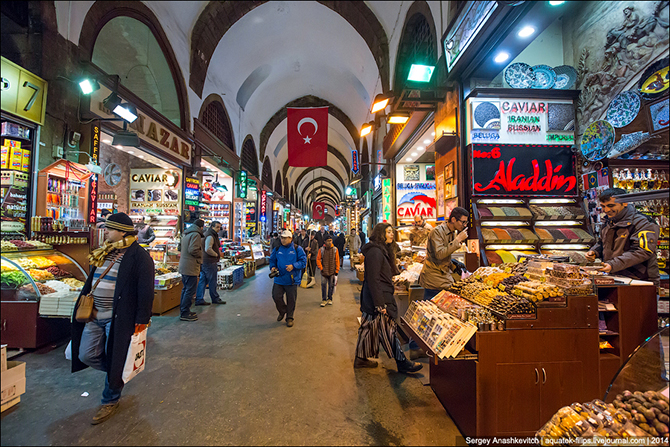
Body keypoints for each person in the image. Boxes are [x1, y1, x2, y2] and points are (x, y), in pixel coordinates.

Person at [71, 213, 155, 425]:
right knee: (86, 354)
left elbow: (146, 291)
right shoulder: (104, 252)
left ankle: (110, 398)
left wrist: (142, 319)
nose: (105, 231)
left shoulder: (140, 257)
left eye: (109, 229)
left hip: (119, 318)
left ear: (121, 231)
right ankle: (116, 373)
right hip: (93, 315)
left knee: (116, 356)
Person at [354, 222, 422, 373]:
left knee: (368, 328)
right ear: (381, 234)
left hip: (375, 297)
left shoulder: (380, 250)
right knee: (389, 330)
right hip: (378, 298)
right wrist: (380, 304)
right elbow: (373, 279)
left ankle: (360, 359)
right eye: (389, 232)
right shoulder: (375, 252)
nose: (392, 234)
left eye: (392, 231)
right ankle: (402, 362)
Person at [586, 188, 660, 286]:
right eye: (603, 206)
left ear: (625, 203)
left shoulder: (642, 223)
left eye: (611, 206)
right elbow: (602, 243)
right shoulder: (609, 221)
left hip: (639, 281)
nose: (606, 210)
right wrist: (595, 251)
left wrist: (612, 265)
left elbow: (642, 251)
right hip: (615, 278)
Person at [419, 207, 469, 300]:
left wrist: (453, 264)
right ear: (453, 219)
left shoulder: (451, 232)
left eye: (466, 222)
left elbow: (446, 254)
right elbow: (440, 254)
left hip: (443, 276)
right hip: (434, 280)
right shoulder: (437, 231)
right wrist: (458, 239)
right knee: (431, 310)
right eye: (463, 222)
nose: (464, 225)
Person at [269, 230, 307, 327]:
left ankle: (289, 317)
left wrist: (293, 266)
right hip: (279, 279)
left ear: (291, 239)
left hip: (291, 279)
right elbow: (272, 260)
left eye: (285, 238)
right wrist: (272, 267)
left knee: (291, 300)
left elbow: (303, 262)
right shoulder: (277, 249)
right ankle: (282, 311)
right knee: (276, 296)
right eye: (282, 238)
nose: (283, 240)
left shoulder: (297, 249)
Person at [178, 219, 204, 322]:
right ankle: (185, 313)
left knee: (185, 289)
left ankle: (184, 310)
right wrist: (200, 256)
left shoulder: (186, 233)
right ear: (201, 227)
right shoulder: (196, 235)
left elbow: (180, 247)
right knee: (190, 290)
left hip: (184, 265)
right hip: (191, 266)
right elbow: (193, 249)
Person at [195, 221, 226, 305]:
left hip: (204, 261)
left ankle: (199, 299)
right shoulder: (210, 236)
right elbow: (208, 248)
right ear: (212, 227)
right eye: (217, 227)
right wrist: (216, 254)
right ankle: (215, 298)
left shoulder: (206, 234)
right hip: (209, 261)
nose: (219, 229)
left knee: (203, 280)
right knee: (212, 280)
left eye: (220, 227)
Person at [317, 235, 340, 306]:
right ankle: (324, 299)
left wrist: (337, 270)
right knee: (323, 285)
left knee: (331, 286)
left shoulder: (335, 249)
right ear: (325, 241)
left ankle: (330, 298)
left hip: (332, 271)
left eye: (330, 240)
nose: (329, 242)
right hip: (324, 271)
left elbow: (337, 260)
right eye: (328, 241)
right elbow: (318, 259)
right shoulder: (321, 250)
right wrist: (321, 268)